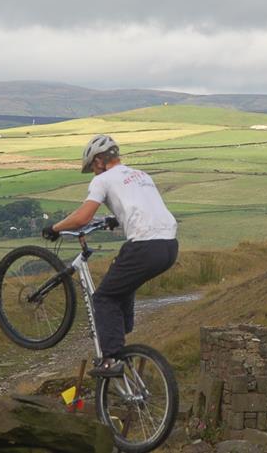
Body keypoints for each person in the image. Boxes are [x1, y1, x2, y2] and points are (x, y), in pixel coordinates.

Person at [43, 134, 179, 377]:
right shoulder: (141, 176)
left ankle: (110, 359)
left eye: (92, 169)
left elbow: (82, 217)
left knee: (103, 298)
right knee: (120, 278)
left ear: (98, 161)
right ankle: (121, 331)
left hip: (145, 246)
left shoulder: (103, 180)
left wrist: (55, 228)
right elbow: (140, 205)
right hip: (169, 246)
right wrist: (113, 219)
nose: (94, 174)